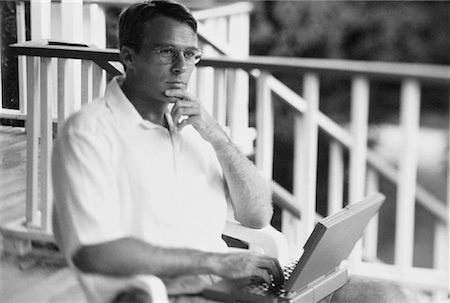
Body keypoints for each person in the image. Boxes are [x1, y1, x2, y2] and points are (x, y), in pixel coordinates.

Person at [52, 1, 416, 302]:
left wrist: (217, 136)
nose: (182, 67)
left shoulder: (194, 128)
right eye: (167, 52)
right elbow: (93, 252)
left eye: (191, 54)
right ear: (128, 56)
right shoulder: (90, 133)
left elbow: (257, 215)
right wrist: (220, 264)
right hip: (171, 293)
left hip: (229, 283)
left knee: (387, 296)